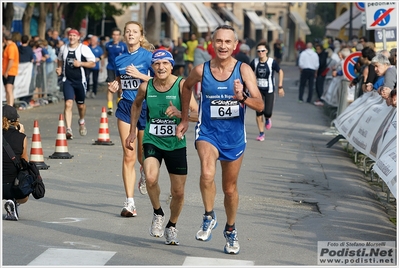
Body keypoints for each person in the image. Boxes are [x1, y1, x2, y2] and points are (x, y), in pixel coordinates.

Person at [176, 25, 264, 254]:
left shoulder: (243, 70)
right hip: (208, 132)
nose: (223, 46)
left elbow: (260, 104)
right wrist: (185, 119)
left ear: (234, 45)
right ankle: (208, 215)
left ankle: (231, 230)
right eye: (218, 41)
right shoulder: (201, 70)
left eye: (227, 42)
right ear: (212, 44)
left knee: (229, 189)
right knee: (206, 173)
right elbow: (185, 88)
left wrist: (242, 97)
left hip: (234, 137)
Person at [125, 50, 198, 245]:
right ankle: (158, 213)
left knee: (179, 192)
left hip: (176, 143)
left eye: (165, 63)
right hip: (152, 139)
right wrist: (133, 131)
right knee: (150, 178)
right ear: (152, 67)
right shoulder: (146, 87)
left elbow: (197, 114)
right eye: (157, 64)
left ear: (171, 66)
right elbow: (136, 106)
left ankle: (172, 225)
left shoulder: (182, 85)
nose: (161, 67)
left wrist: (179, 113)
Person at [107, 21, 154, 217]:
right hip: (126, 107)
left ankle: (143, 171)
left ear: (141, 36)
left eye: (135, 31)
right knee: (128, 154)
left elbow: (163, 80)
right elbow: (120, 79)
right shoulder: (119, 59)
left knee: (142, 156)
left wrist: (141, 76)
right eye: (128, 32)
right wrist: (115, 85)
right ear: (124, 36)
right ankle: (130, 203)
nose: (131, 34)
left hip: (145, 107)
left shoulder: (150, 57)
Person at [56, 29, 96, 140]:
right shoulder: (63, 48)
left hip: (80, 81)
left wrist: (81, 63)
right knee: (68, 103)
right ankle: (68, 129)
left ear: (78, 37)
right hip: (67, 80)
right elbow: (59, 59)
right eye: (70, 35)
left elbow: (93, 63)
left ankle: (81, 120)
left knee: (81, 105)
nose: (72, 37)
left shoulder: (83, 48)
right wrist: (59, 68)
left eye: (74, 35)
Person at [250, 42, 284, 142]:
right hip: (258, 91)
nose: (261, 53)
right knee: (259, 112)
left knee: (267, 112)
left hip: (269, 90)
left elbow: (280, 71)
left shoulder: (271, 62)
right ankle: (261, 133)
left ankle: (268, 118)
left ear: (267, 51)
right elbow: (248, 73)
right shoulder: (254, 62)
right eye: (259, 51)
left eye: (263, 51)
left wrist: (280, 86)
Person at [2, 105, 28, 221]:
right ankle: (14, 201)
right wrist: (21, 134)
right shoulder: (21, 137)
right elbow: (24, 163)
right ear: (16, 121)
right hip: (13, 187)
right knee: (27, 175)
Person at [105, 28, 128, 116]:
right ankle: (110, 107)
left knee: (120, 89)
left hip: (121, 69)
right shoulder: (108, 45)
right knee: (110, 86)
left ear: (119, 36)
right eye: (114, 35)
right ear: (112, 36)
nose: (115, 36)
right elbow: (106, 54)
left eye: (117, 35)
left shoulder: (123, 46)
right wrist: (99, 58)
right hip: (110, 68)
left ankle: (119, 101)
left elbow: (127, 56)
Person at [2, 33, 20, 107]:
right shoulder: (8, 46)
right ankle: (8, 104)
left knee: (9, 89)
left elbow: (11, 60)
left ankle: (10, 105)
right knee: (7, 89)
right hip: (7, 71)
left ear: (4, 39)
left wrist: (6, 71)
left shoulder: (11, 47)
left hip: (10, 71)